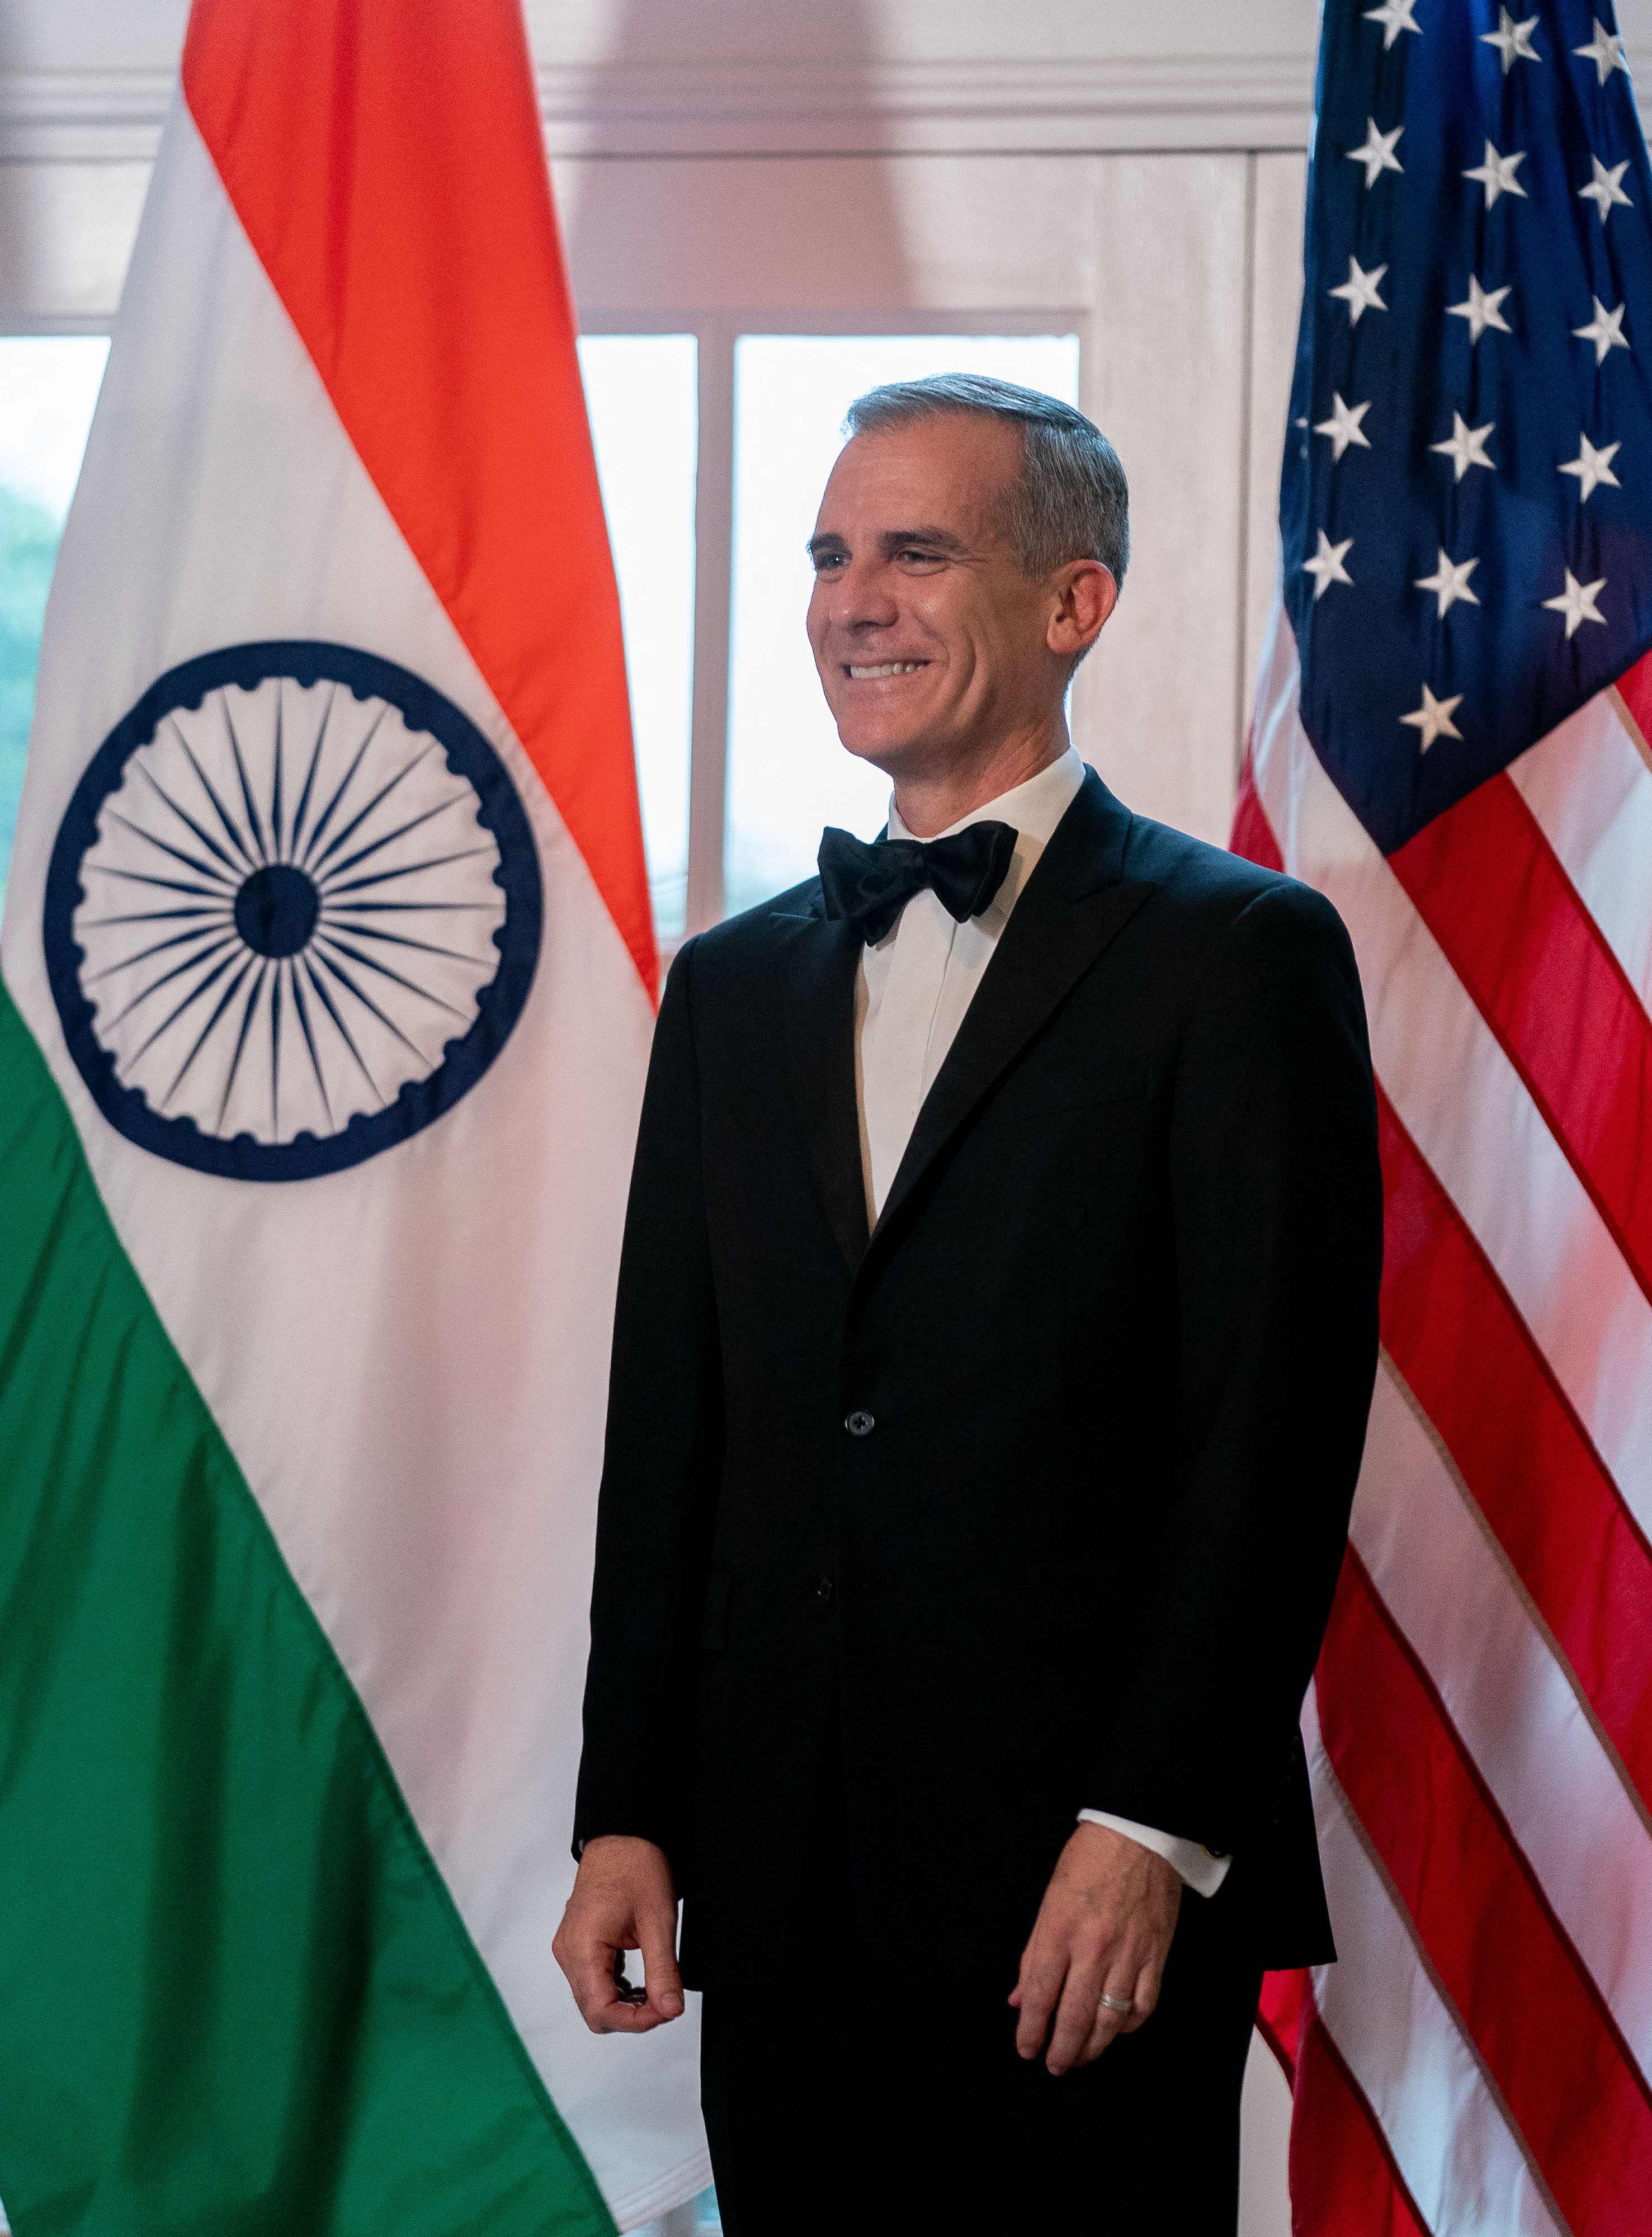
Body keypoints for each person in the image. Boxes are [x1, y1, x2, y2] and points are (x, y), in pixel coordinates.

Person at [553, 374, 1380, 2227]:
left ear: (1073, 604)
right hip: (774, 1879)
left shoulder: (1238, 958)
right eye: (834, 555)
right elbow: (669, 1440)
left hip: (1083, 1894)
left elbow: (1274, 1433)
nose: (855, 600)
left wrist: (1152, 1826)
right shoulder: (732, 989)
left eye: (917, 552)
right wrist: (631, 1809)